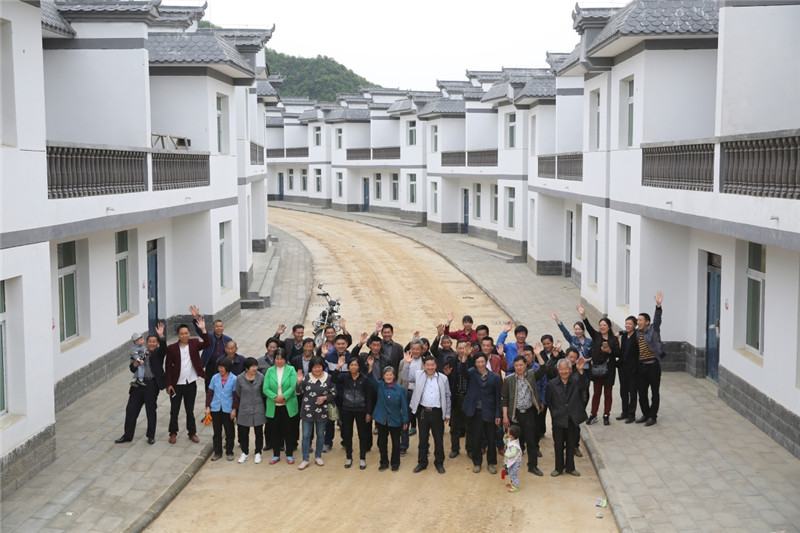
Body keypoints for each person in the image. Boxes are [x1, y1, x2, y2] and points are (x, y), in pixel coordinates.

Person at [116, 322, 167, 445]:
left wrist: (161, 336)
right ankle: (127, 435)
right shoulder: (139, 351)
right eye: (150, 342)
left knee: (151, 411)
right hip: (137, 385)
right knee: (131, 410)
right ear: (146, 342)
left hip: (151, 385)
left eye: (154, 342)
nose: (152, 344)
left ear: (157, 343)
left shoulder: (158, 353)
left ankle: (151, 436)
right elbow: (132, 368)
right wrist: (135, 364)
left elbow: (164, 348)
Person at [403, 353, 451, 474]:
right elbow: (405, 377)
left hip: (437, 412)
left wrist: (447, 414)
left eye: (432, 365)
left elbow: (447, 396)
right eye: (428, 365)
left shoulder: (443, 378)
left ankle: (439, 462)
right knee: (423, 439)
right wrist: (407, 364)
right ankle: (422, 462)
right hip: (423, 412)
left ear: (436, 365)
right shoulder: (418, 374)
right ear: (424, 366)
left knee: (438, 439)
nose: (430, 367)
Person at [501, 350, 548, 476]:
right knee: (512, 442)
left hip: (529, 413)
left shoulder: (531, 375)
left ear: (526, 365)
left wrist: (538, 354)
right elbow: (505, 399)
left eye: (521, 365)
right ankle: (509, 466)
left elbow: (543, 369)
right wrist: (505, 416)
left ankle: (532, 466)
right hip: (514, 414)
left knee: (531, 441)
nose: (519, 368)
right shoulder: (509, 380)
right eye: (516, 365)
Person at [165, 314, 210, 444]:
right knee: (174, 411)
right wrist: (169, 384)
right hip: (176, 385)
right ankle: (173, 433)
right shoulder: (172, 348)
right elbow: (168, 367)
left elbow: (207, 343)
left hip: (190, 383)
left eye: (186, 333)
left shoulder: (194, 343)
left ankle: (192, 433)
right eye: (182, 334)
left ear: (189, 333)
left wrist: (203, 329)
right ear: (178, 335)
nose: (184, 335)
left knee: (190, 410)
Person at [576, 305, 621, 426]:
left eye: (604, 325)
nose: (602, 327)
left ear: (609, 327)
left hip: (609, 370)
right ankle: (593, 414)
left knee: (608, 394)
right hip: (596, 370)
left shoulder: (614, 339)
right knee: (596, 394)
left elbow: (618, 353)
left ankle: (606, 414)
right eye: (600, 325)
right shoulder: (596, 336)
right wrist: (583, 315)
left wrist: (610, 351)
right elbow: (588, 327)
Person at [459, 352, 502, 474]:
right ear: (475, 363)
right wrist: (465, 357)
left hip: (489, 412)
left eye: (482, 361)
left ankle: (491, 463)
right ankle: (477, 463)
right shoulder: (472, 373)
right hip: (475, 412)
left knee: (491, 439)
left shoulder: (495, 377)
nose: (480, 364)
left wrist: (498, 414)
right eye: (478, 362)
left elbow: (497, 398)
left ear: (486, 362)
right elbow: (462, 371)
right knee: (476, 439)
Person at [547, 354, 589, 477]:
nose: (564, 371)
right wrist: (555, 413)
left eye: (566, 369)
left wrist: (580, 371)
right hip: (558, 419)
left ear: (570, 369)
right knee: (558, 445)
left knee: (571, 445)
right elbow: (549, 401)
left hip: (572, 419)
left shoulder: (576, 381)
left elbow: (584, 386)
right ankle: (558, 468)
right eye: (561, 369)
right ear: (558, 370)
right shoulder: (552, 384)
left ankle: (570, 468)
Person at [366, 358, 409, 472]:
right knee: (382, 443)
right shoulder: (380, 386)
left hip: (395, 419)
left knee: (396, 443)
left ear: (394, 376)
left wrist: (405, 420)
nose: (389, 377)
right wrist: (370, 366)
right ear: (383, 376)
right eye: (386, 375)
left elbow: (404, 406)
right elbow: (371, 380)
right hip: (382, 419)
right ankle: (384, 462)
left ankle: (395, 463)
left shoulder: (400, 389)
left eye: (391, 375)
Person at [296, 356, 336, 470]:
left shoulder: (328, 378)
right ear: (311, 368)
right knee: (306, 435)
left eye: (319, 367)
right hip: (307, 411)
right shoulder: (306, 377)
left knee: (320, 434)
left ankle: (318, 456)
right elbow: (298, 392)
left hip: (322, 411)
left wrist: (325, 398)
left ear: (322, 367)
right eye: (315, 367)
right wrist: (298, 382)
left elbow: (334, 393)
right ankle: (305, 459)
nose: (317, 369)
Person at [333, 355, 372, 469]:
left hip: (361, 410)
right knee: (347, 434)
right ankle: (349, 457)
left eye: (355, 365)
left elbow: (369, 396)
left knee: (362, 434)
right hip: (347, 409)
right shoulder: (345, 377)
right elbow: (333, 379)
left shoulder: (364, 379)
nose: (353, 367)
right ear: (348, 366)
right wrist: (338, 366)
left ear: (359, 366)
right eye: (351, 365)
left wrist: (368, 412)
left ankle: (362, 458)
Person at [263, 350, 299, 465]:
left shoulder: (291, 369)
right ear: (274, 359)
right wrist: (275, 398)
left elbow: (292, 386)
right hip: (273, 405)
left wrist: (283, 397)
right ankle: (276, 454)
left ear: (285, 359)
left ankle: (289, 454)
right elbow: (265, 388)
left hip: (287, 404)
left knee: (289, 431)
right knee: (274, 431)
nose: (279, 361)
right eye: (277, 358)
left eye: (281, 358)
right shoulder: (269, 371)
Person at [637, 292, 665, 427]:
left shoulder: (653, 329)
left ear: (647, 322)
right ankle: (646, 414)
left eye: (640, 320)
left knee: (654, 392)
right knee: (642, 393)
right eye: (637, 321)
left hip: (653, 367)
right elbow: (627, 331)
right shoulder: (637, 333)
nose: (638, 322)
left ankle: (653, 416)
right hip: (641, 367)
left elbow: (657, 319)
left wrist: (658, 306)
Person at [190, 305, 231, 393]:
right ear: (213, 328)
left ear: (223, 328)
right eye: (217, 326)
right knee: (209, 388)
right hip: (210, 366)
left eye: (221, 326)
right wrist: (196, 317)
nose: (219, 328)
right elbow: (200, 330)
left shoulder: (228, 340)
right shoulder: (209, 337)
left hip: (223, 367)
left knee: (223, 387)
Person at [205, 357, 238, 461]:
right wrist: (208, 406)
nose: (220, 370)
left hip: (228, 409)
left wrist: (234, 409)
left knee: (229, 432)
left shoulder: (234, 379)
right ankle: (217, 452)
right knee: (217, 432)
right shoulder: (215, 378)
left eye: (222, 367)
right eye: (219, 367)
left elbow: (235, 396)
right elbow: (210, 393)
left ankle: (229, 451)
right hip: (216, 409)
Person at [443, 339, 471, 459]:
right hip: (455, 397)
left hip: (468, 397)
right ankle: (455, 449)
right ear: (456, 349)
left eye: (464, 348)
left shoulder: (472, 361)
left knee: (469, 426)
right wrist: (447, 375)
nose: (462, 350)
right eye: (460, 348)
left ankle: (469, 449)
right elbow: (446, 380)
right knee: (454, 426)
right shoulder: (451, 361)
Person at [235, 357, 266, 464]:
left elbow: (263, 392)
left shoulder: (261, 377)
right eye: (252, 366)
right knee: (244, 432)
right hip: (244, 408)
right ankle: (245, 452)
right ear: (247, 368)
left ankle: (258, 452)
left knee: (259, 432)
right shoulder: (240, 378)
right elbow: (238, 392)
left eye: (256, 366)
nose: (254, 368)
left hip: (258, 408)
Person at [617, 316, 640, 423]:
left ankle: (631, 414)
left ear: (635, 325)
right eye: (626, 323)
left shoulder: (637, 336)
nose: (627, 325)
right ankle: (624, 412)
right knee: (623, 391)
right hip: (623, 368)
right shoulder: (624, 336)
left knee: (633, 392)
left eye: (630, 324)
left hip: (633, 369)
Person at [503, 425, 523, 493]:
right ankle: (512, 482)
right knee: (510, 471)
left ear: (511, 436)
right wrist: (505, 438)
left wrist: (506, 454)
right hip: (512, 461)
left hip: (515, 461)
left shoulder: (514, 445)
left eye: (508, 432)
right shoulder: (512, 439)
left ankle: (516, 486)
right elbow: (506, 442)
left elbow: (513, 454)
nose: (507, 433)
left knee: (513, 473)